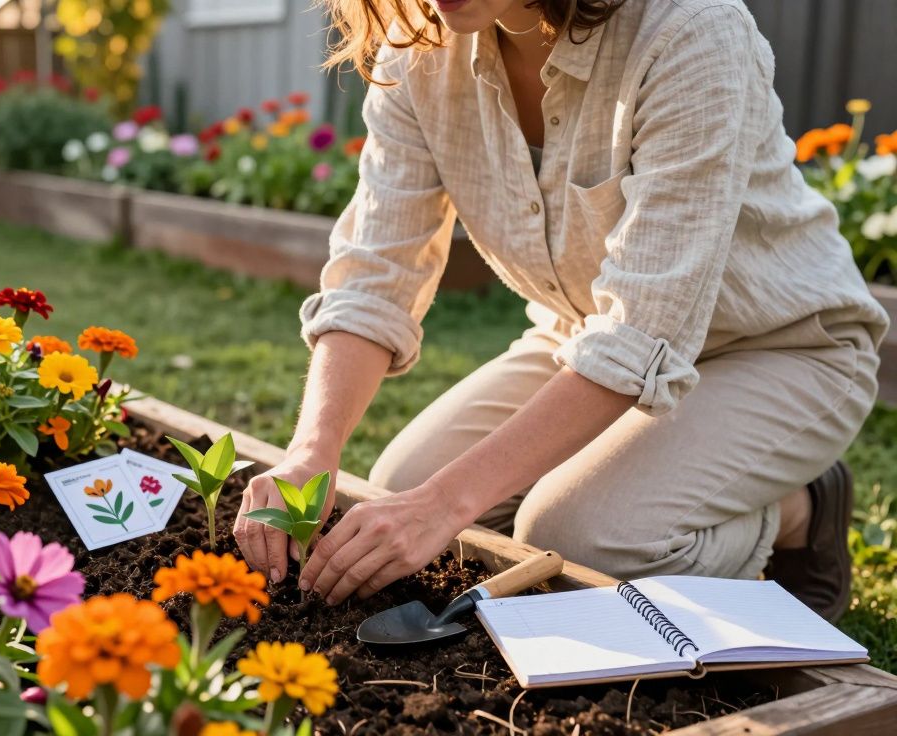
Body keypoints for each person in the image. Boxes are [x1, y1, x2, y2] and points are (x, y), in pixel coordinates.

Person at [231, 0, 889, 622]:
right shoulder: (419, 46)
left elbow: (643, 325)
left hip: (781, 348)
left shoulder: (689, 28)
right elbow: (376, 273)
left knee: (574, 538)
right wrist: (310, 453)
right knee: (404, 481)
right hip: (585, 334)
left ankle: (799, 511)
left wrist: (443, 504)